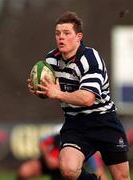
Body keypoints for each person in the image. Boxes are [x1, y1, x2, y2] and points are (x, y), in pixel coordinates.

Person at [28, 11, 131, 180]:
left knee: (121, 177)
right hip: (75, 124)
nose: (61, 37)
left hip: (104, 121)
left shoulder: (90, 58)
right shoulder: (51, 60)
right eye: (58, 33)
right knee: (68, 169)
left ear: (78, 37)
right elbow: (51, 90)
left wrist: (57, 93)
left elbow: (87, 98)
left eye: (67, 33)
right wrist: (40, 90)